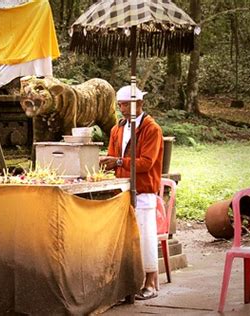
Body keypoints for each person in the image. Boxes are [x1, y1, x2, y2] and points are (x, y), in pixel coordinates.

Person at [99, 85, 164, 300]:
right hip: (122, 189)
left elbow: (146, 163)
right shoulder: (117, 128)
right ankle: (127, 282)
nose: (122, 108)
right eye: (120, 105)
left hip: (143, 190)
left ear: (140, 104)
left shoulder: (151, 128)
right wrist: (104, 163)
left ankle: (151, 282)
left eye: (126, 104)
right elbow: (111, 155)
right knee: (124, 239)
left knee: (145, 236)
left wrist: (117, 161)